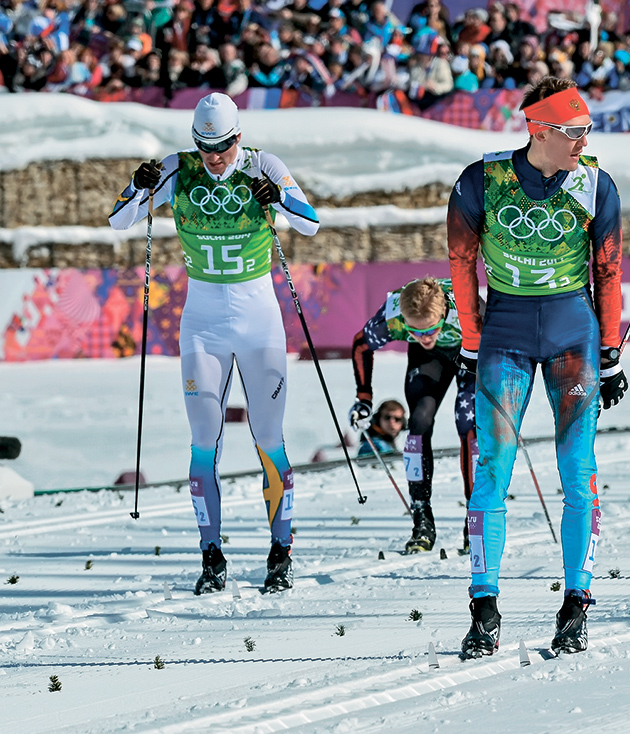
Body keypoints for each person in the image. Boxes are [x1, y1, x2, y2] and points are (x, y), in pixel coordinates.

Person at [109, 93, 319, 595]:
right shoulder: (177, 168)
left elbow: (311, 223)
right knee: (205, 440)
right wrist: (134, 189)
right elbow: (119, 222)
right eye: (206, 147)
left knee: (268, 438)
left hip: (259, 321)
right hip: (202, 323)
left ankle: (280, 550)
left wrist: (280, 198)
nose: (216, 157)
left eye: (223, 145)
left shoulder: (262, 164)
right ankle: (211, 554)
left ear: (239, 138)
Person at [447, 76, 628, 658]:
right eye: (574, 132)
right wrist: (471, 344)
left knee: (577, 469)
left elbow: (609, 272)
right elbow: (461, 267)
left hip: (573, 335)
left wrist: (611, 348)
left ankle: (577, 603)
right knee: (492, 467)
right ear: (538, 129)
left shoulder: (596, 185)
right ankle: (484, 607)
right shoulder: (481, 181)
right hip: (505, 336)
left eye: (587, 131)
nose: (584, 141)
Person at [349, 278, 477, 553]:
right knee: (418, 424)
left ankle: (476, 517)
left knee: (468, 424)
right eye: (415, 331)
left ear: (443, 314)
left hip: (470, 352)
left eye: (431, 329)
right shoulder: (393, 316)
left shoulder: (467, 309)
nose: (425, 336)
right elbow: (361, 345)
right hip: (428, 360)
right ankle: (422, 518)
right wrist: (364, 397)